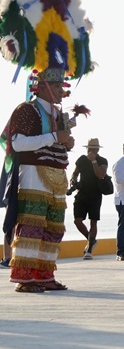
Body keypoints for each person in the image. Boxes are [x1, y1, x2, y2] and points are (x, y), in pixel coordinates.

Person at [4, 68, 77, 292]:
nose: (61, 91)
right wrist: (55, 137)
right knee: (32, 224)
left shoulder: (57, 114)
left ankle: (44, 275)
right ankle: (24, 278)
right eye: (56, 86)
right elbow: (18, 143)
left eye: (61, 86)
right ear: (42, 87)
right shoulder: (27, 109)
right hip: (34, 172)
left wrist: (66, 143)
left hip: (57, 173)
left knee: (54, 227)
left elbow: (53, 141)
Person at [69, 137, 109, 259]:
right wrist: (73, 179)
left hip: (95, 195)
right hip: (81, 194)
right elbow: (75, 173)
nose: (91, 151)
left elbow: (101, 175)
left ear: (98, 149)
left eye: (94, 149)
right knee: (77, 221)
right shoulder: (81, 159)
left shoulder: (102, 160)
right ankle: (91, 240)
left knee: (93, 221)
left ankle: (89, 249)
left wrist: (93, 161)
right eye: (89, 148)